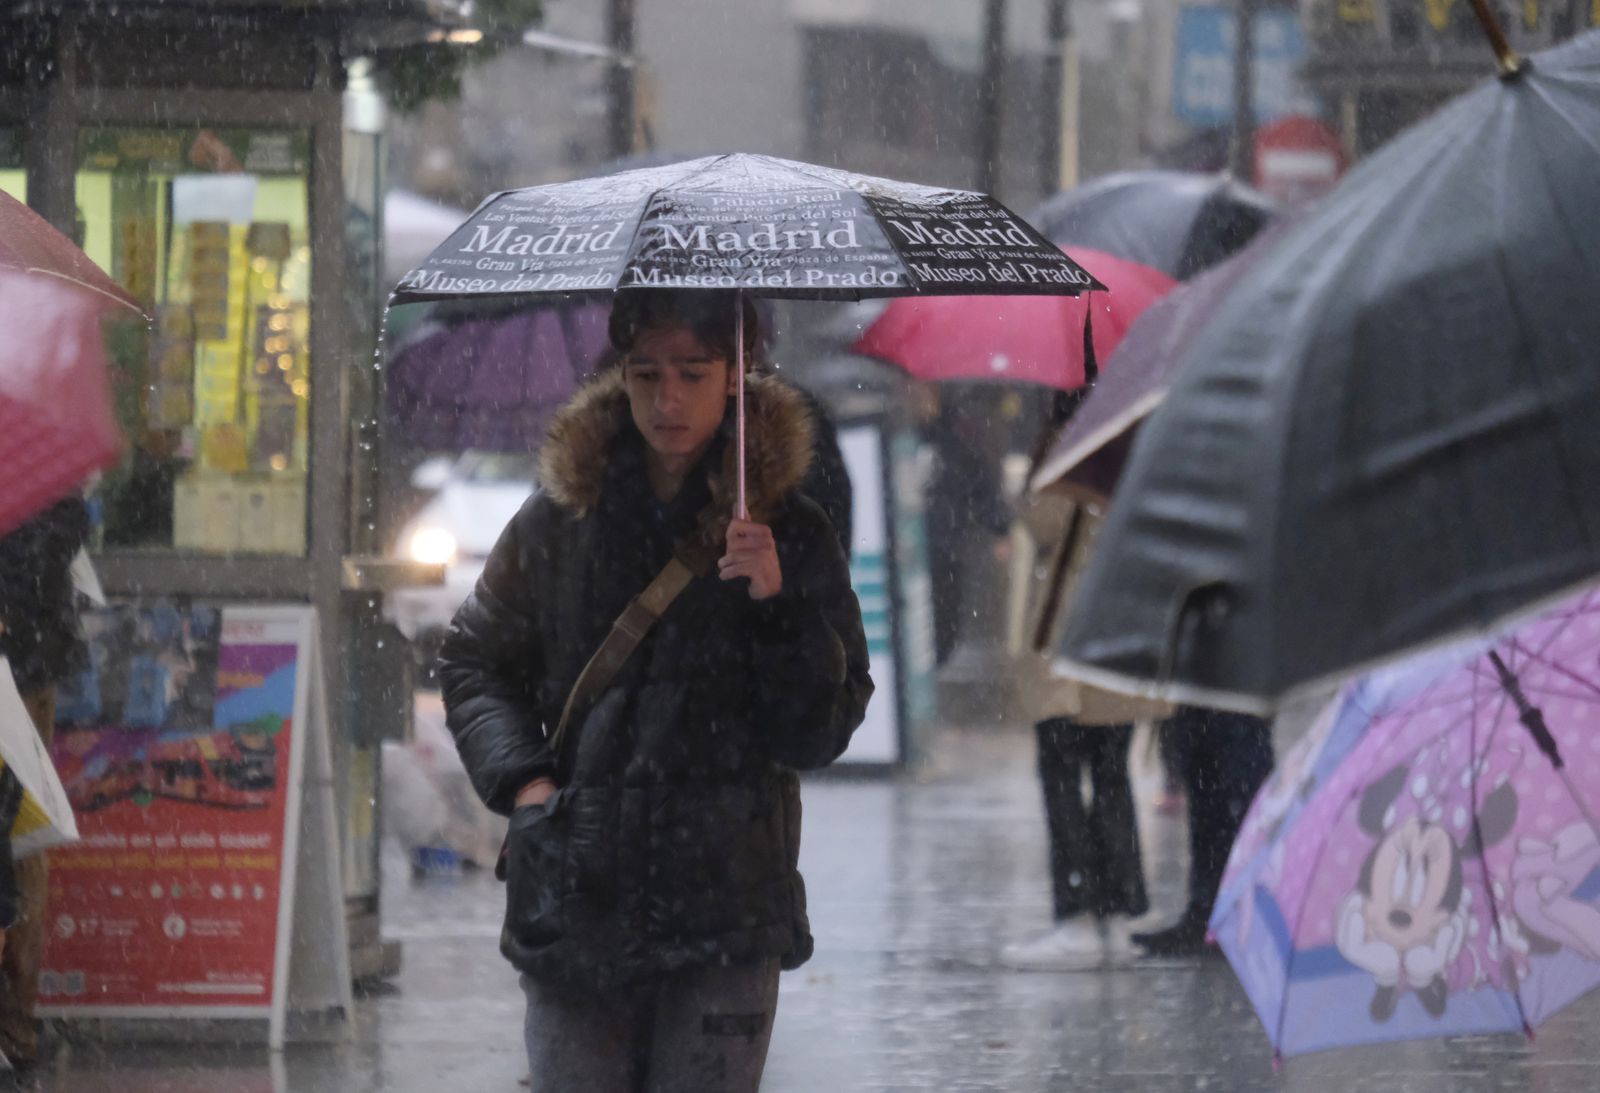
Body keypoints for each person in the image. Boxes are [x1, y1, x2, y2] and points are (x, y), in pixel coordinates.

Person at [439, 289, 872, 1092]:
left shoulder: (791, 529)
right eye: (646, 373)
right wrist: (527, 783)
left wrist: (779, 605)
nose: (667, 399)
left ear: (735, 375)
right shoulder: (561, 518)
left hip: (728, 904)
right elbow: (473, 661)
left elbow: (819, 729)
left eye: (692, 373)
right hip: (581, 887)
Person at [0, 495, 89, 1071]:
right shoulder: (35, 463)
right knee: (24, 837)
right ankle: (14, 1025)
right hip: (27, 658)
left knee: (22, 835)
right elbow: (65, 533)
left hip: (22, 657)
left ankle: (13, 1023)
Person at [1132, 704, 1274, 957]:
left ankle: (1232, 917)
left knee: (1234, 797)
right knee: (1205, 789)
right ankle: (1205, 913)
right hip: (1207, 702)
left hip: (1237, 705)